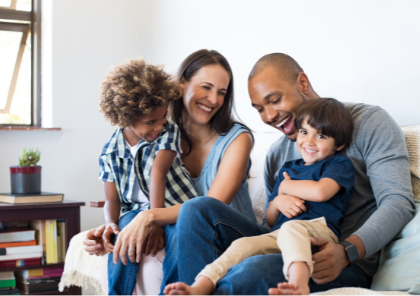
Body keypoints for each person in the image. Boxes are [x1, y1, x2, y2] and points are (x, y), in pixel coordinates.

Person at [164, 53, 415, 294]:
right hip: (281, 242)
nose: (270, 116)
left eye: (274, 100)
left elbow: (398, 202)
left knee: (250, 272)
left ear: (302, 83)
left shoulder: (369, 122)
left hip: (338, 259)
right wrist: (277, 201)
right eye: (259, 109)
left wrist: (347, 251)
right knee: (196, 208)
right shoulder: (277, 153)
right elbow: (272, 225)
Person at [83, 49, 256, 295]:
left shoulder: (237, 140)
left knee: (186, 219)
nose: (214, 100)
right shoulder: (156, 133)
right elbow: (130, 191)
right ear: (181, 83)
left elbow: (209, 208)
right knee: (130, 226)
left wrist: (149, 216)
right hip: (181, 224)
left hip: (228, 233)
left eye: (221, 92)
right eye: (206, 87)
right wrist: (111, 228)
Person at [164, 98, 355, 295]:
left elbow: (321, 192)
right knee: (242, 245)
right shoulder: (288, 168)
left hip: (318, 232)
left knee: (292, 227)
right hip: (279, 234)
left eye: (321, 136)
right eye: (304, 132)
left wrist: (286, 187)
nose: (309, 141)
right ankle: (200, 286)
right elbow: (271, 219)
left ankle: (299, 284)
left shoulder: (337, 164)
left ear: (339, 144)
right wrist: (279, 200)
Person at [97, 59, 199, 294]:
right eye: (150, 122)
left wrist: (154, 221)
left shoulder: (168, 130)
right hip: (134, 211)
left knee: (177, 237)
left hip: (175, 207)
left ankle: (173, 291)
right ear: (125, 118)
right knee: (124, 232)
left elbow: (158, 173)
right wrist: (110, 224)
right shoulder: (110, 151)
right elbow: (112, 199)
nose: (159, 125)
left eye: (163, 116)